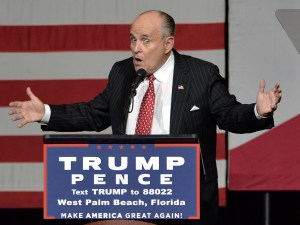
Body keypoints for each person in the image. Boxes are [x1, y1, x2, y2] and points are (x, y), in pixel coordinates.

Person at [8, 10, 282, 225]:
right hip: (130, 192)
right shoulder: (122, 72)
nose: (135, 48)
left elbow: (229, 115)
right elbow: (94, 114)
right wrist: (45, 112)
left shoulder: (201, 75)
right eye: (132, 39)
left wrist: (257, 111)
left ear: (168, 43)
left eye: (145, 40)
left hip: (185, 199)